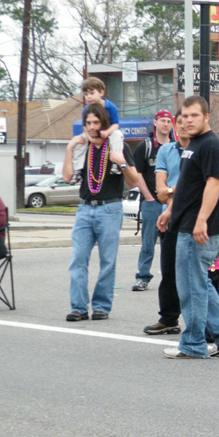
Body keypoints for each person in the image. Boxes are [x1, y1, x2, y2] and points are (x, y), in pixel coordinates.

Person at [157, 95, 219, 359]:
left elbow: (214, 184)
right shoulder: (193, 144)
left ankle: (193, 344)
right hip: (186, 223)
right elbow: (188, 186)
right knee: (198, 284)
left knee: (191, 287)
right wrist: (171, 210)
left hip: (200, 228)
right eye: (183, 116)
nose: (187, 121)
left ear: (206, 117)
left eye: (194, 115)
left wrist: (200, 221)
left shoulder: (210, 145)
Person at [63, 104, 139, 322]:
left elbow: (134, 182)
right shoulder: (81, 147)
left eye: (96, 122)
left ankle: (101, 306)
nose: (92, 127)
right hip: (85, 208)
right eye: (88, 123)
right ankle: (78, 307)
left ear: (104, 123)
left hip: (110, 207)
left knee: (108, 260)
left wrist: (122, 164)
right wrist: (69, 148)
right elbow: (67, 177)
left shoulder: (117, 146)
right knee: (78, 259)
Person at [143, 110, 188, 336]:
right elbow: (160, 191)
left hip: (192, 218)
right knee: (169, 270)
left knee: (197, 273)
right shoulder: (166, 151)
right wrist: (172, 193)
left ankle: (205, 322)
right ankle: (169, 318)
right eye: (178, 122)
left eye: (186, 121)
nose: (182, 125)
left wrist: (172, 193)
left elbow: (192, 188)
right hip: (168, 220)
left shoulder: (198, 151)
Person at [131, 109, 175, 292]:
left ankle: (171, 277)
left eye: (169, 121)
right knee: (148, 242)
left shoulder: (176, 147)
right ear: (155, 123)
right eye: (162, 121)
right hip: (151, 203)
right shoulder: (146, 147)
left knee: (171, 243)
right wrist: (148, 197)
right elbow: (137, 174)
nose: (166, 124)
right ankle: (143, 277)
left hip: (172, 204)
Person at [73, 77, 124, 175]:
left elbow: (115, 124)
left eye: (92, 93)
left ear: (101, 92)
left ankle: (115, 163)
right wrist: (90, 139)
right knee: (79, 141)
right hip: (92, 133)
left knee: (117, 135)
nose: (88, 97)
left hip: (108, 131)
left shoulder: (110, 107)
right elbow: (85, 126)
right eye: (86, 94)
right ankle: (78, 169)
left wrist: (107, 132)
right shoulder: (86, 109)